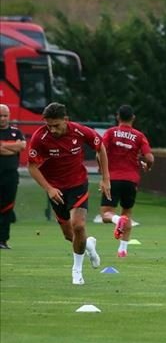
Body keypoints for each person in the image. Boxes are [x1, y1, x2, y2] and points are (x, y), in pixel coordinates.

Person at [26, 103, 109, 285]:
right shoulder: (40, 138)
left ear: (66, 120)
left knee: (78, 226)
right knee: (69, 234)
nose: (52, 129)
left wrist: (105, 179)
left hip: (78, 185)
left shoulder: (79, 132)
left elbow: (100, 147)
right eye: (49, 125)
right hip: (56, 190)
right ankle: (89, 245)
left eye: (56, 125)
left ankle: (77, 272)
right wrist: (49, 188)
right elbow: (31, 166)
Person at [99, 105, 154, 258]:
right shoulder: (139, 135)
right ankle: (122, 250)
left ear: (118, 117)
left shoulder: (110, 133)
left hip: (113, 178)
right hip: (131, 180)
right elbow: (149, 157)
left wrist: (103, 174)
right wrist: (147, 166)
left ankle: (117, 220)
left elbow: (99, 152)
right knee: (127, 212)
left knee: (105, 214)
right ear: (133, 118)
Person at [0, 104, 27, 249]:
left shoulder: (17, 132)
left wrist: (3, 147)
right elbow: (15, 147)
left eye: (5, 115)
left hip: (10, 176)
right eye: (0, 116)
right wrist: (12, 147)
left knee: (7, 208)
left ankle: (3, 240)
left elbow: (22, 146)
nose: (3, 119)